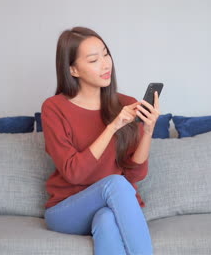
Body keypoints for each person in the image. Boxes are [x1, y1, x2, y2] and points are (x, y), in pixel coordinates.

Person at [41, 26, 160, 255]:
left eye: (106, 54)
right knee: (115, 183)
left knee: (106, 219)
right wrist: (113, 126)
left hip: (110, 206)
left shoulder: (125, 102)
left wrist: (147, 130)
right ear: (73, 70)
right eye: (94, 60)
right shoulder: (54, 108)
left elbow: (135, 176)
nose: (106, 64)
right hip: (67, 210)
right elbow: (74, 173)